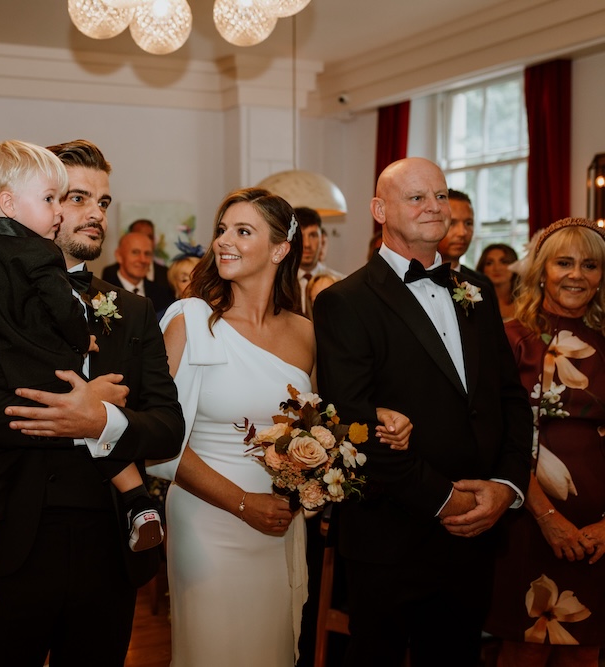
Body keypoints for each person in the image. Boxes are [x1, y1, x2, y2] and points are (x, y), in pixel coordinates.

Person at [0, 139, 183, 666]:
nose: (91, 214)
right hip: (4, 542)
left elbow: (166, 427)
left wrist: (101, 419)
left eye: (102, 203)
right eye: (76, 198)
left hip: (110, 547)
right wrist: (66, 417)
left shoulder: (131, 309)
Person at [147, 188, 410, 666]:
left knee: (271, 648)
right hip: (208, 518)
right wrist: (244, 504)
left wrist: (378, 418)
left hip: (281, 522)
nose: (224, 240)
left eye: (242, 231)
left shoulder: (305, 332)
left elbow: (325, 423)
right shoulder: (191, 320)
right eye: (222, 229)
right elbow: (160, 442)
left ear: (279, 249)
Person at [313, 157, 532, 667]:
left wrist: (506, 486)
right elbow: (354, 423)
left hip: (477, 531)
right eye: (416, 197)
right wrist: (444, 499)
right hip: (391, 534)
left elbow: (509, 398)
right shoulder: (346, 302)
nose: (435, 206)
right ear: (379, 210)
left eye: (441, 195)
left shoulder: (473, 289)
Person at [485, 218, 605, 667]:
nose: (577, 274)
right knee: (523, 652)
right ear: (541, 270)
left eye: (590, 265)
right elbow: (494, 438)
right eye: (564, 263)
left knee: (586, 653)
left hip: (598, 536)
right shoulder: (510, 339)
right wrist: (547, 516)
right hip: (526, 522)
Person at [295, 207, 344, 314]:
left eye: (313, 235)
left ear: (322, 239)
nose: (307, 244)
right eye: (301, 236)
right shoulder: (279, 284)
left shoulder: (340, 283)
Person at [477, 242, 520, 321]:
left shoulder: (528, 301)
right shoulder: (475, 303)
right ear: (482, 268)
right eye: (489, 263)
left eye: (504, 262)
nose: (497, 268)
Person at [438, 189, 476, 270]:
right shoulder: (410, 278)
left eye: (468, 223)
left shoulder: (480, 282)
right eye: (451, 223)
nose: (462, 233)